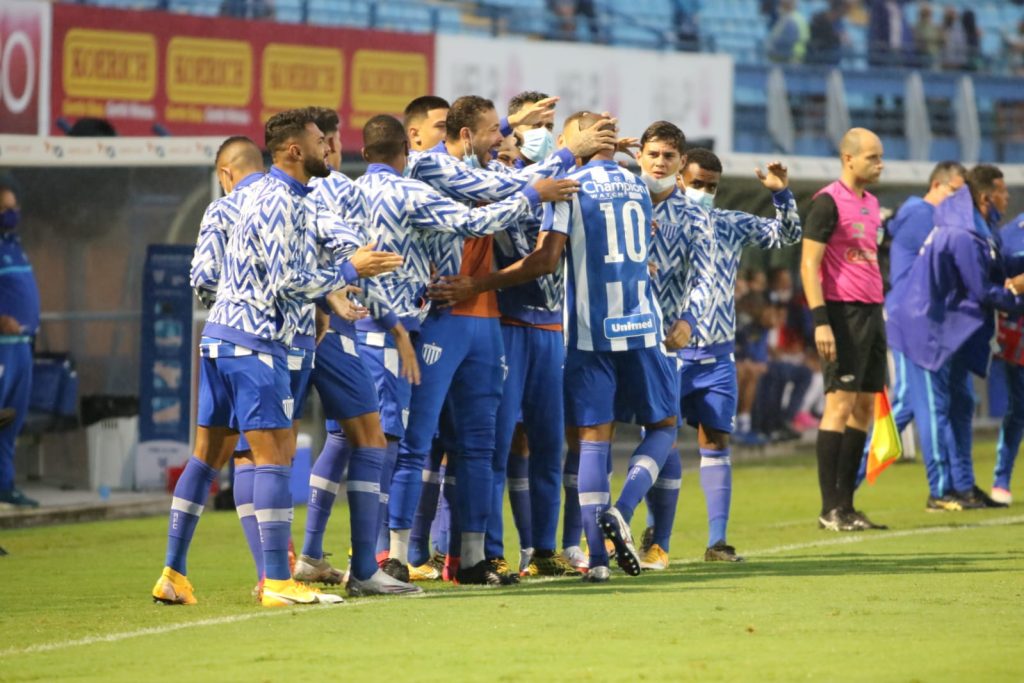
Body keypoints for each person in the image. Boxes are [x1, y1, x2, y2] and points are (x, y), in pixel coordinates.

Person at [151, 109, 402, 608]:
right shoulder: (281, 202)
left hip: (223, 339)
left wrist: (335, 277)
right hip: (257, 343)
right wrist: (348, 269)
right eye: (318, 141)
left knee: (207, 457)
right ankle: (277, 581)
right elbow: (286, 280)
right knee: (272, 457)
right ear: (294, 150)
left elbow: (224, 276)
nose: (327, 149)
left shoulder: (262, 199)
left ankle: (173, 574)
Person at [386, 95, 612, 585]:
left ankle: (471, 559)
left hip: (485, 321)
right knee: (417, 439)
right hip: (441, 312)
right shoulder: (427, 166)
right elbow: (501, 183)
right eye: (495, 133)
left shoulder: (474, 156)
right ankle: (396, 554)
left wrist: (512, 125)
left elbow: (493, 163)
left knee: (481, 445)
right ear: (465, 136)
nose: (504, 142)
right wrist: (571, 151)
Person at [429, 91, 586, 578]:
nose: (519, 147)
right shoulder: (500, 179)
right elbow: (530, 242)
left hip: (551, 327)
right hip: (506, 321)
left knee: (548, 446)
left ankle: (542, 548)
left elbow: (551, 256)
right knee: (493, 446)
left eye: (547, 129)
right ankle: (488, 549)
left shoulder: (558, 187)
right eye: (517, 135)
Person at [643, 146, 800, 564]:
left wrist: (781, 194)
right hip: (669, 351)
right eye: (697, 184)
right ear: (680, 180)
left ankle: (717, 542)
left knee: (715, 442)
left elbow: (786, 236)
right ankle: (656, 537)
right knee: (661, 440)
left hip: (717, 354)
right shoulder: (656, 222)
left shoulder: (728, 224)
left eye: (712, 186)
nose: (705, 192)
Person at [288, 107, 422, 597]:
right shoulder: (338, 189)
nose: (331, 148)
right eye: (325, 140)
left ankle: (306, 558)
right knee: (369, 437)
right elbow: (360, 261)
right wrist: (391, 321)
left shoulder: (285, 190)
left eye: (332, 138)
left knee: (336, 440)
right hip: (325, 327)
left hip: (312, 323)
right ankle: (364, 563)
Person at [887, 166, 1018, 511]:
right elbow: (980, 290)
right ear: (988, 196)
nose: (1008, 198)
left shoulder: (981, 228)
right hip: (925, 326)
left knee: (961, 404)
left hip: (952, 330)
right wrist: (1016, 296)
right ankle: (939, 490)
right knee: (926, 409)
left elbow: (993, 271)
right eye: (1003, 192)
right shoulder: (957, 229)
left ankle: (963, 485)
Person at [628, 127, 717, 570]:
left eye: (669, 156)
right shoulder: (619, 199)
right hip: (609, 335)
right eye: (653, 154)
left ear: (682, 163)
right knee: (590, 434)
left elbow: (706, 278)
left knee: (661, 431)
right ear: (638, 156)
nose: (660, 162)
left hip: (663, 340)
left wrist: (689, 320)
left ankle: (656, 541)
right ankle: (584, 540)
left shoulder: (696, 216)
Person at [800, 127, 887, 533]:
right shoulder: (827, 203)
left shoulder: (872, 204)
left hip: (872, 312)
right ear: (848, 158)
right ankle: (829, 507)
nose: (879, 163)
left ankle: (847, 506)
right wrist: (821, 321)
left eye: (880, 156)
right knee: (839, 405)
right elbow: (808, 265)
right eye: (872, 157)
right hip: (841, 314)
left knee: (865, 408)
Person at [0, 181, 40, 508]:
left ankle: (5, 485)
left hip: (22, 344)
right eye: (6, 209)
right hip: (2, 346)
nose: (13, 214)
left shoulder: (14, 244)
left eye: (15, 208)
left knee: (12, 420)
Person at [993, 210, 1024, 505]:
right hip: (1019, 326)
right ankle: (1002, 478)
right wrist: (1014, 284)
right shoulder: (1010, 233)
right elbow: (997, 282)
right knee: (1019, 408)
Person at [807, 0, 849, 66]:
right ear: (837, 10)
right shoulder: (819, 21)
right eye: (841, 12)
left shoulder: (837, 22)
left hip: (826, 56)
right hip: (817, 58)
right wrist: (839, 38)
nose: (841, 15)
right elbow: (830, 39)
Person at [912, 2, 943, 69]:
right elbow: (917, 39)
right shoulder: (917, 26)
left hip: (933, 54)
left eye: (928, 13)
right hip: (921, 54)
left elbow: (940, 39)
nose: (926, 15)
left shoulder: (935, 26)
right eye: (924, 13)